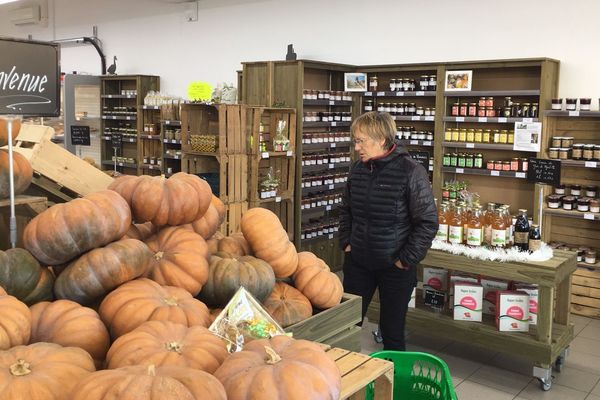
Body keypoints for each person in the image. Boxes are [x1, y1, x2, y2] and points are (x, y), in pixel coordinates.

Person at [339, 111, 438, 351]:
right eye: (355, 141)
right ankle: (342, 380)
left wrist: (405, 260)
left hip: (395, 266)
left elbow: (428, 222)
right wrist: (347, 243)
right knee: (345, 327)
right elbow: (345, 210)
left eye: (361, 140)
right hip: (359, 262)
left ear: (382, 139)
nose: (357, 147)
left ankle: (392, 384)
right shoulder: (358, 170)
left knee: (392, 333)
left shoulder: (411, 171)